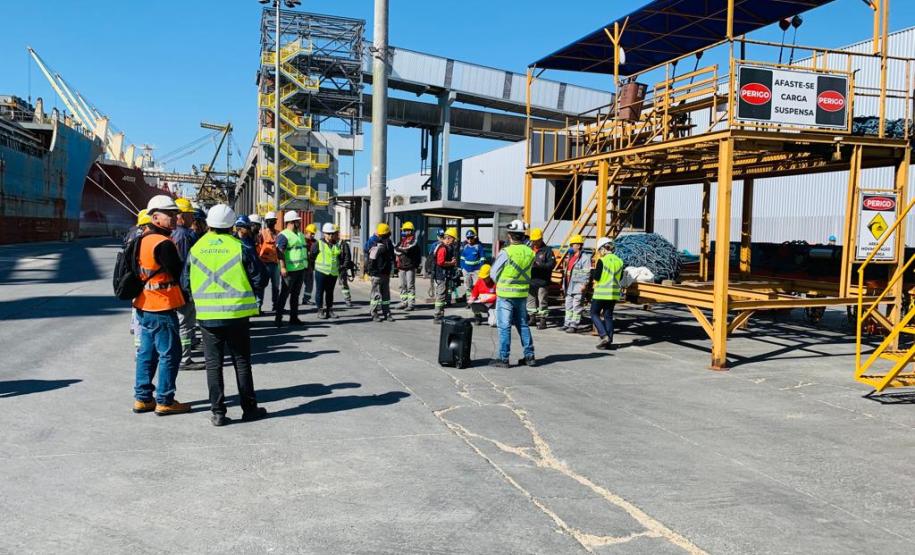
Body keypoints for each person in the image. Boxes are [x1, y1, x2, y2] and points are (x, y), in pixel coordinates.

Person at [188, 204, 268, 426]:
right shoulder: (240, 247)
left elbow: (185, 282)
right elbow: (261, 279)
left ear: (209, 224)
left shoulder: (196, 248)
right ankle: (249, 409)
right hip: (237, 314)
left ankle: (218, 413)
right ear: (232, 225)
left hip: (207, 317)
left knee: (213, 365)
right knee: (241, 363)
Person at [133, 195, 192, 415]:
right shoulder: (163, 243)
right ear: (155, 217)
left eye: (175, 213)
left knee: (146, 353)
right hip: (161, 305)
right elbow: (179, 272)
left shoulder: (141, 239)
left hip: (144, 305)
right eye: (170, 214)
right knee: (170, 353)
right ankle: (165, 400)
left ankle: (142, 398)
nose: (175, 217)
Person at [490, 219, 536, 368]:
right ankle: (529, 356)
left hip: (505, 295)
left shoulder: (506, 252)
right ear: (523, 235)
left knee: (504, 326)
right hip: (522, 294)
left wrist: (501, 282)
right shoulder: (530, 252)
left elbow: (493, 273)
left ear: (510, 235)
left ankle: (504, 358)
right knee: (523, 325)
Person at [170, 197, 203, 371]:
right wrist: (187, 288)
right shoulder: (182, 235)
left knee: (186, 323)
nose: (193, 218)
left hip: (181, 287)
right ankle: (184, 358)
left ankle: (185, 354)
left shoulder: (177, 233)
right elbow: (184, 266)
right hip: (184, 288)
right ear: (181, 216)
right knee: (185, 323)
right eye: (190, 214)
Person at [590, 237, 624, 350]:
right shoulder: (620, 261)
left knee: (594, 313)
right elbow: (621, 277)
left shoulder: (602, 261)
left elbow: (597, 277)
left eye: (599, 250)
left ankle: (604, 336)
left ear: (604, 249)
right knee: (608, 316)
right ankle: (609, 342)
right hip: (613, 294)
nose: (599, 253)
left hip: (601, 293)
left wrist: (593, 272)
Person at [274, 211, 307, 327]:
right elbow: (279, 253)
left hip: (300, 269)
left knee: (295, 295)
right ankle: (278, 318)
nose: (299, 223)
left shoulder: (300, 235)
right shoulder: (284, 235)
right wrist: (282, 267)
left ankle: (294, 318)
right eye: (298, 221)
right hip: (289, 271)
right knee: (284, 294)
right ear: (292, 222)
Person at [127, 209, 152, 354]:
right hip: (146, 284)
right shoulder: (147, 239)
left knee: (136, 311)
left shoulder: (131, 233)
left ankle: (138, 347)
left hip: (133, 279)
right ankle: (141, 349)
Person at [234, 215, 268, 313]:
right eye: (247, 227)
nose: (249, 229)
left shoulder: (249, 240)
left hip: (251, 274)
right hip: (241, 275)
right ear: (240, 228)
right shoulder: (234, 240)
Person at [562, 234, 592, 333]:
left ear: (578, 245)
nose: (571, 247)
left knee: (577, 306)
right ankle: (567, 323)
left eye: (572, 245)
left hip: (578, 286)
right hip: (569, 285)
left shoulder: (584, 258)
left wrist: (584, 284)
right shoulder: (570, 256)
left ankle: (574, 325)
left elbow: (586, 272)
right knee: (568, 305)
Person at [528, 227, 555, 330]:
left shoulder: (547, 251)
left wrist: (539, 265)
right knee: (530, 301)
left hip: (542, 281)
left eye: (537, 240)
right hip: (531, 280)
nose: (535, 242)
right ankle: (532, 319)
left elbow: (551, 264)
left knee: (542, 301)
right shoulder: (529, 249)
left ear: (541, 239)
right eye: (533, 240)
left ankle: (543, 321)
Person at [367, 222, 396, 321]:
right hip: (377, 273)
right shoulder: (374, 244)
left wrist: (392, 268)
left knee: (386, 296)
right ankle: (374, 313)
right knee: (376, 295)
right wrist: (372, 272)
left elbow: (392, 256)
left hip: (385, 273)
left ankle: (386, 313)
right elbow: (371, 259)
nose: (388, 236)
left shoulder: (388, 243)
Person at [314, 222, 343, 319]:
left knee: (330, 292)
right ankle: (320, 310)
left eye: (332, 233)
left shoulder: (337, 245)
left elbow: (340, 257)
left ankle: (329, 310)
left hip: (333, 272)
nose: (331, 235)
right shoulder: (318, 244)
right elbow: (311, 257)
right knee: (320, 291)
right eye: (328, 233)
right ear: (324, 234)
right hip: (321, 272)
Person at [431, 228, 459, 323]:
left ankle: (440, 315)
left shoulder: (447, 247)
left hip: (444, 275)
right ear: (449, 238)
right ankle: (437, 316)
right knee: (441, 296)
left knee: (442, 296)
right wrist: (451, 263)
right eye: (453, 239)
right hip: (441, 276)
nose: (454, 241)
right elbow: (440, 262)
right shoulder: (442, 248)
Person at [257, 211, 281, 313]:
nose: (272, 223)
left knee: (275, 286)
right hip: (264, 264)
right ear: (266, 222)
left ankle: (276, 305)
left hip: (275, 264)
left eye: (273, 221)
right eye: (270, 221)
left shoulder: (279, 233)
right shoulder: (262, 234)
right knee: (261, 285)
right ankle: (258, 306)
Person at [394, 221, 421, 310]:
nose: (405, 232)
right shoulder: (402, 241)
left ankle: (411, 304)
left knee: (410, 286)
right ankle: (404, 302)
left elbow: (407, 250)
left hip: (410, 267)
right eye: (404, 230)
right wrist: (401, 249)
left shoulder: (414, 241)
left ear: (410, 231)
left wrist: (400, 250)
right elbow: (395, 250)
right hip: (401, 267)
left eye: (406, 230)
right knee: (402, 285)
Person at [460, 228, 486, 297]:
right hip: (466, 270)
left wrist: (480, 268)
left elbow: (482, 258)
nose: (469, 240)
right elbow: (462, 258)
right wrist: (462, 268)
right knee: (467, 287)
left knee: (476, 286)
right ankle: (469, 301)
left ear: (474, 237)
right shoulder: (465, 247)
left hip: (476, 270)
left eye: (471, 238)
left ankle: (476, 300)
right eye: (468, 238)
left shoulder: (479, 247)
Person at [338, 226, 355, 308]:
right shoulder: (328, 244)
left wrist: (344, 267)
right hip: (330, 269)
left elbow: (347, 257)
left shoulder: (343, 245)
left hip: (341, 268)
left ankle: (348, 300)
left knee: (344, 284)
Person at [301, 223, 318, 306]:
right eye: (311, 233)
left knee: (310, 284)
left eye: (313, 234)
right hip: (301, 266)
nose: (312, 235)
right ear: (306, 232)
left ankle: (306, 299)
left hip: (310, 267)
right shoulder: (301, 241)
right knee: (297, 285)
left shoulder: (315, 242)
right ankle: (294, 300)